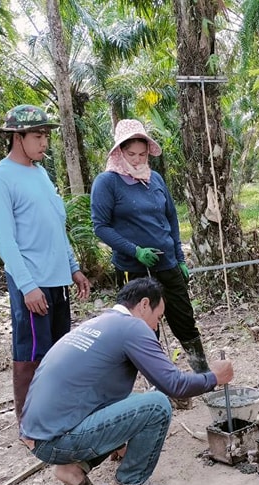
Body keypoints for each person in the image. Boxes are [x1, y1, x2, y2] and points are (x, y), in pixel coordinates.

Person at [20, 277, 234, 485]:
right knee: (156, 405)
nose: (155, 327)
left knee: (133, 402)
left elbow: (103, 394)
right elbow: (174, 386)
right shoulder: (133, 327)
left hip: (40, 436)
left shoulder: (101, 322)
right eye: (158, 318)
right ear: (143, 305)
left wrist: (119, 439)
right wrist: (213, 377)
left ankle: (72, 470)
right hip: (57, 441)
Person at [0, 104, 91, 426]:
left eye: (46, 135)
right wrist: (28, 286)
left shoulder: (41, 173)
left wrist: (73, 267)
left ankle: (57, 413)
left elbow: (56, 226)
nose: (45, 142)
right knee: (31, 353)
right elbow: (3, 238)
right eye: (38, 135)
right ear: (17, 137)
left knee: (59, 351)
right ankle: (29, 423)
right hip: (32, 282)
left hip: (57, 280)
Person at [90, 119, 209, 373]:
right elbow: (100, 226)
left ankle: (202, 375)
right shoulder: (107, 182)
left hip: (166, 263)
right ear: (119, 152)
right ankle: (161, 384)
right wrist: (135, 251)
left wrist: (180, 258)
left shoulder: (155, 179)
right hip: (133, 269)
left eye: (142, 154)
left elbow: (171, 218)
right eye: (131, 154)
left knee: (184, 320)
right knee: (144, 330)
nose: (137, 159)